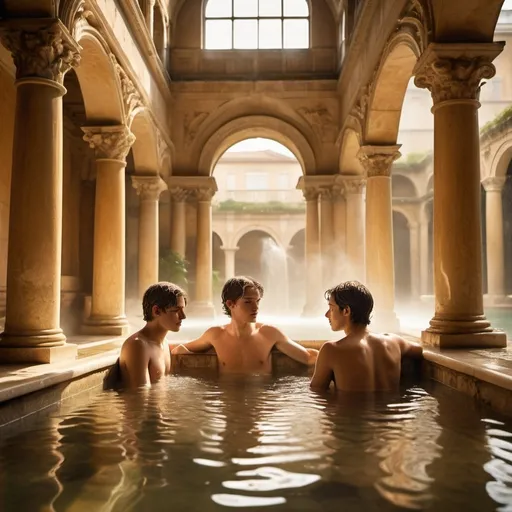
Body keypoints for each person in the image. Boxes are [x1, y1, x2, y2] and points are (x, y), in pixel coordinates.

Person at [171, 276, 318, 374]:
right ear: (231, 304)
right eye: (248, 302)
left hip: (259, 406)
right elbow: (179, 350)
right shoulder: (215, 335)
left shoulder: (269, 333)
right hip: (229, 405)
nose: (255, 308)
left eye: (257, 301)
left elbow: (308, 358)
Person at [310, 281, 423, 392]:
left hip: (352, 410)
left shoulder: (331, 350)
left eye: (331, 308)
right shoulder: (394, 342)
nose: (326, 314)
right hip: (391, 409)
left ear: (346, 311)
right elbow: (419, 349)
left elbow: (316, 393)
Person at [114, 282, 187, 389]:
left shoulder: (164, 344)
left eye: (183, 310)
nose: (183, 316)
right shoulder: (138, 346)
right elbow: (140, 398)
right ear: (156, 311)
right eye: (176, 310)